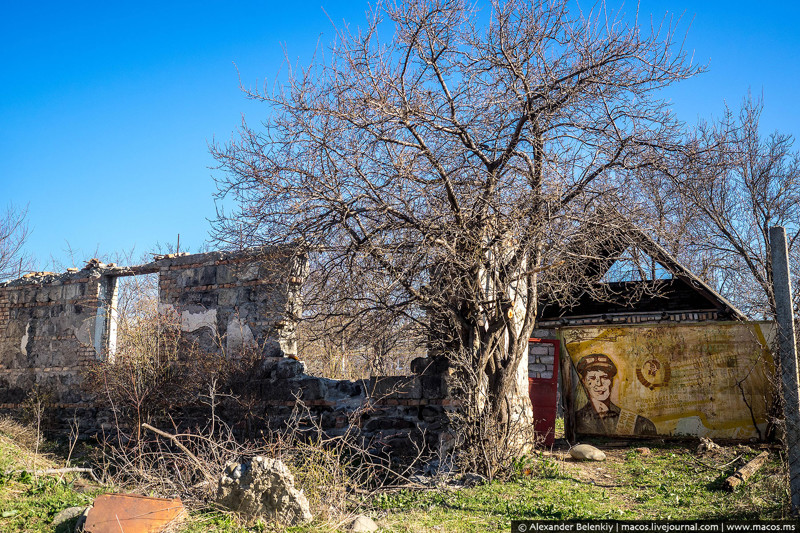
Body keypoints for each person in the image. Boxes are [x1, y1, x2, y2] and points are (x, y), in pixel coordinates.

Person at [575, 353, 656, 436]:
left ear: (611, 381)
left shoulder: (641, 425)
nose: (599, 383)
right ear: (584, 382)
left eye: (604, 377)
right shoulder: (576, 420)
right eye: (592, 378)